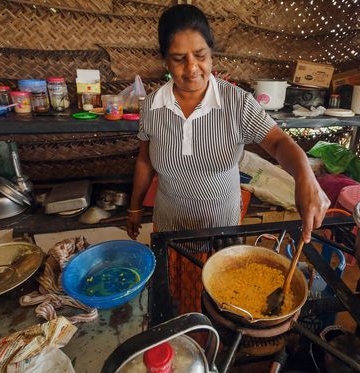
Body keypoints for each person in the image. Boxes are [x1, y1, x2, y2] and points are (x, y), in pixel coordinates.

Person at [127, 4, 330, 313]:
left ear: (212, 54)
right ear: (165, 59)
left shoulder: (237, 103)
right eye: (179, 58)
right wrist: (134, 208)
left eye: (201, 55)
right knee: (177, 299)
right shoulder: (153, 105)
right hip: (170, 228)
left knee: (221, 304)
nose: (192, 68)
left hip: (221, 228)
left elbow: (277, 142)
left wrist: (306, 177)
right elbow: (145, 161)